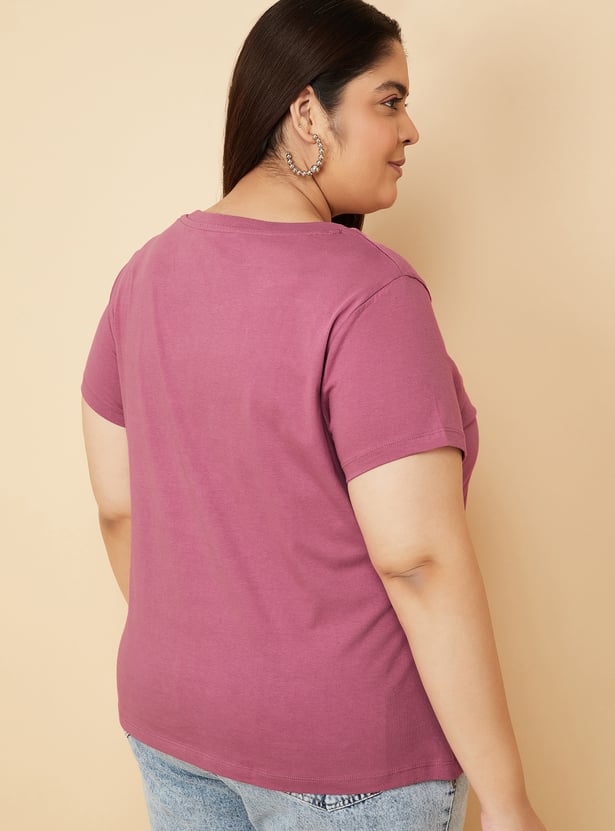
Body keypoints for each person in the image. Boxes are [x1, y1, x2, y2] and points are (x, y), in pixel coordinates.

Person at [81, 1, 547, 829]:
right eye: (388, 101)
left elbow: (119, 507)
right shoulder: (369, 291)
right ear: (306, 112)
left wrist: (212, 662)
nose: (409, 131)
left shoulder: (143, 276)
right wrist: (508, 800)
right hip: (347, 755)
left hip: (173, 724)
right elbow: (417, 560)